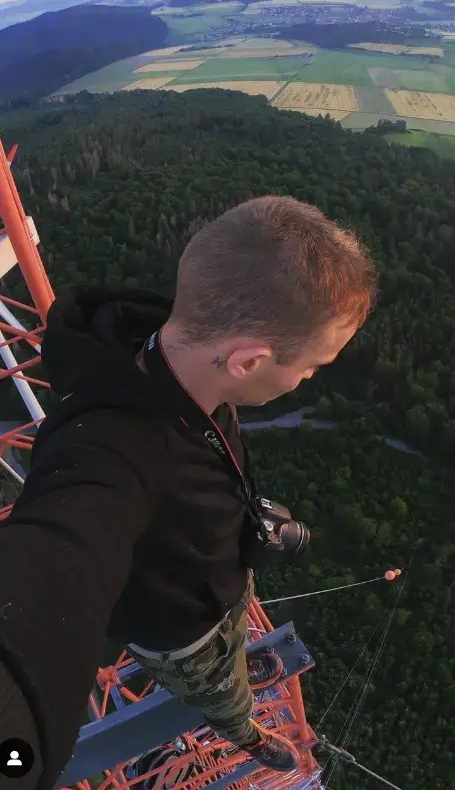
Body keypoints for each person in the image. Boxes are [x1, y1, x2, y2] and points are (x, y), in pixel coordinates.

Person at [0, 195, 379, 790]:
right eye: (312, 367)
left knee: (233, 645)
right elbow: (48, 566)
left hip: (218, 589)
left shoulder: (178, 354)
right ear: (251, 361)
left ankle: (239, 668)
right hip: (182, 639)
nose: (307, 379)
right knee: (220, 691)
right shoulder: (107, 455)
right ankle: (243, 729)